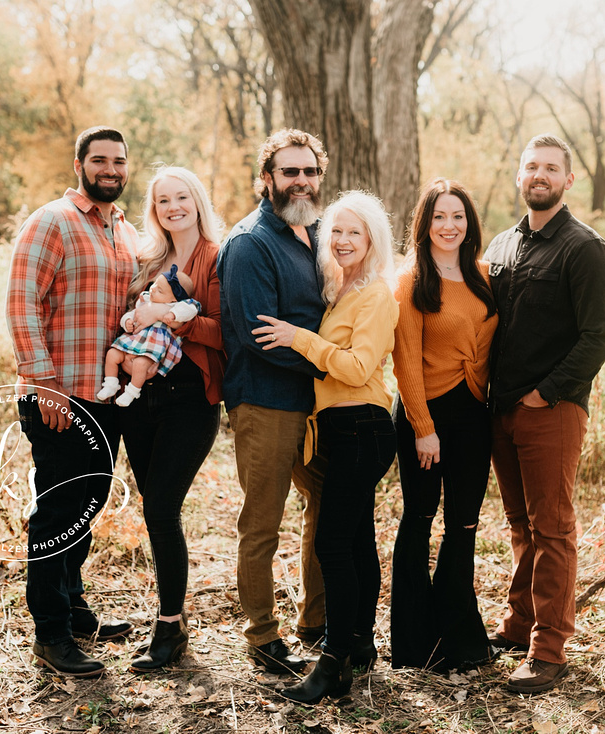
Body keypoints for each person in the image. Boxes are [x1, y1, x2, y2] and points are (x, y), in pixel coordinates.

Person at [252, 191, 399, 704]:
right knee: (356, 540)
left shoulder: (376, 295)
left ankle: (332, 664)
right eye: (335, 231)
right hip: (342, 430)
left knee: (332, 545)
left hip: (365, 427)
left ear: (372, 240)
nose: (341, 240)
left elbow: (358, 368)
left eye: (353, 232)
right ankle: (360, 644)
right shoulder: (341, 290)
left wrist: (299, 338)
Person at [485, 134, 605, 694]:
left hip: (552, 409)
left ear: (568, 180)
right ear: (520, 176)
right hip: (500, 409)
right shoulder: (501, 245)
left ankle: (548, 650)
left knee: (553, 528)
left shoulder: (585, 250)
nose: (539, 175)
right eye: (530, 166)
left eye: (551, 168)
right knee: (520, 525)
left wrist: (546, 393)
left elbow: (600, 338)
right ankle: (519, 625)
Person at [5, 125, 138, 677]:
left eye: (120, 161)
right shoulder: (52, 221)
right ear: (80, 164)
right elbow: (21, 303)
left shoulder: (125, 231)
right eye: (100, 160)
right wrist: (45, 385)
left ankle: (74, 605)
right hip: (60, 396)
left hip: (106, 398)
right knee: (58, 512)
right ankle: (51, 633)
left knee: (87, 507)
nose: (111, 169)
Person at [217, 128, 330, 674]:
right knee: (263, 521)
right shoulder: (250, 243)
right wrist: (332, 357)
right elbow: (260, 336)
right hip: (265, 402)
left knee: (326, 505)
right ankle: (262, 635)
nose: (301, 181)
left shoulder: (314, 234)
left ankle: (316, 619)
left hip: (317, 402)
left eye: (310, 172)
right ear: (267, 179)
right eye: (290, 172)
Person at [117, 166, 227, 674]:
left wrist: (166, 315)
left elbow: (226, 333)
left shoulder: (218, 255)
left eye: (182, 196)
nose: (173, 206)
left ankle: (169, 626)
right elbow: (127, 317)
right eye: (163, 200)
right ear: (154, 209)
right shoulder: (146, 259)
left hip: (189, 397)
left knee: (162, 508)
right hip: (139, 397)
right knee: (154, 510)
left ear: (197, 200)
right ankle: (170, 620)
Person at [390, 178, 498, 672]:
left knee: (464, 523)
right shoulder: (412, 279)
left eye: (457, 216)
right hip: (425, 413)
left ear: (469, 223)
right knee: (418, 518)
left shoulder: (484, 274)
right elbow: (406, 358)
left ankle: (460, 637)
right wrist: (422, 426)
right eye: (439, 217)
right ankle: (415, 643)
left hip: (474, 413)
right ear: (424, 223)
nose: (449, 226)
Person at [96, 265, 200, 406]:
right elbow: (133, 313)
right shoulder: (145, 300)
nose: (152, 289)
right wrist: (127, 321)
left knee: (140, 364)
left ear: (173, 300)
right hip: (134, 341)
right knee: (112, 354)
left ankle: (132, 392)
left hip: (154, 346)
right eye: (155, 284)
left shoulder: (176, 307)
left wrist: (172, 314)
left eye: (159, 290)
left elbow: (190, 310)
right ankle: (110, 383)